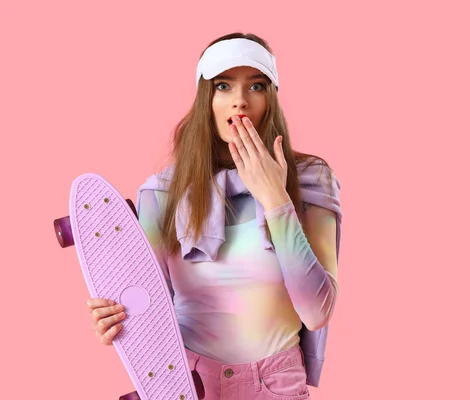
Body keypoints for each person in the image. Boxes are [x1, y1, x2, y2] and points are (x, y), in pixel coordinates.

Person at [85, 32, 343, 399]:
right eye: (223, 85)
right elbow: (147, 307)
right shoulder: (161, 194)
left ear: (272, 99)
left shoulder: (311, 179)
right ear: (206, 98)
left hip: (276, 385)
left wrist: (275, 196)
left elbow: (317, 312)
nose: (240, 101)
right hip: (186, 384)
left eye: (256, 86)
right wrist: (116, 320)